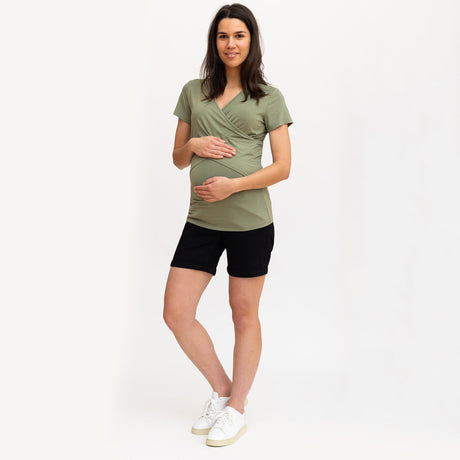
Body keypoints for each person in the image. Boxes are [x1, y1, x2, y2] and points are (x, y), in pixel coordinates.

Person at [163, 3, 293, 447]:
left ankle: (236, 409)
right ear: (214, 41)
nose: (230, 43)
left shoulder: (268, 97)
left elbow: (283, 167)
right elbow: (178, 159)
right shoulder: (192, 91)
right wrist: (194, 144)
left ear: (251, 41)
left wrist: (233, 186)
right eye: (223, 36)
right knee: (176, 313)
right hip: (201, 220)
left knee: (243, 313)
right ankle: (223, 390)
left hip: (250, 222)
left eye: (239, 35)